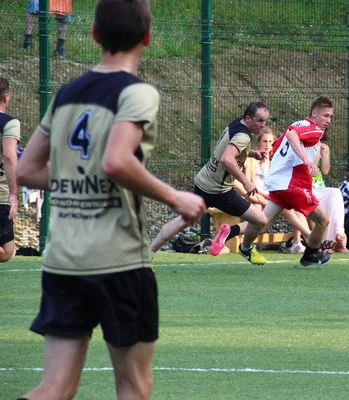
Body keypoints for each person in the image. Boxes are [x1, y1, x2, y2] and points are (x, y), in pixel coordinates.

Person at [15, 1, 206, 399]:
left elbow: (27, 171)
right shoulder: (136, 93)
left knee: (55, 388)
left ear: (95, 35)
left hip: (64, 260)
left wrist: (75, 177)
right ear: (148, 38)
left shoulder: (67, 93)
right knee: (133, 386)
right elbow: (117, 161)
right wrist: (175, 198)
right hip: (118, 260)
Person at [150, 102, 270, 258]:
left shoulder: (236, 123)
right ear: (248, 118)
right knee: (261, 220)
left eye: (265, 121)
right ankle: (243, 246)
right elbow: (227, 159)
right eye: (260, 120)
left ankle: (149, 254)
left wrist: (251, 153)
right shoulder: (243, 136)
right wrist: (246, 182)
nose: (263, 125)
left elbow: (229, 149)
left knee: (182, 221)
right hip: (219, 191)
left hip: (204, 182)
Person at [238, 95, 334, 266]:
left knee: (262, 222)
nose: (328, 120)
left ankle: (242, 244)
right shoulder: (313, 130)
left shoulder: (298, 123)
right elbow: (291, 136)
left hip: (277, 182)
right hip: (293, 185)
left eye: (330, 117)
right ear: (314, 113)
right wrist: (305, 160)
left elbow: (277, 146)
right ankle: (310, 255)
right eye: (325, 115)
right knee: (323, 221)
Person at [226, 127, 311, 254]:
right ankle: (310, 238)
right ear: (258, 143)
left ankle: (298, 242)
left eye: (270, 142)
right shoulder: (251, 159)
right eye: (265, 141)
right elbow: (251, 184)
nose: (267, 145)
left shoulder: (275, 160)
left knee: (294, 208)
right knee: (272, 211)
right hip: (255, 195)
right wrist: (265, 196)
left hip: (271, 196)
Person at [311, 135, 349, 253]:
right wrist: (317, 151)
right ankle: (323, 243)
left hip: (320, 188)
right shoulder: (304, 147)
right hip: (307, 187)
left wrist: (325, 154)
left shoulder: (324, 147)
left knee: (336, 192)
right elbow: (310, 168)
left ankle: (338, 233)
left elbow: (326, 171)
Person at [0, 78, 20, 262]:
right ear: (6, 98)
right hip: (1, 194)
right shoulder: (9, 123)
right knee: (6, 252)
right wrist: (14, 194)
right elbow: (9, 156)